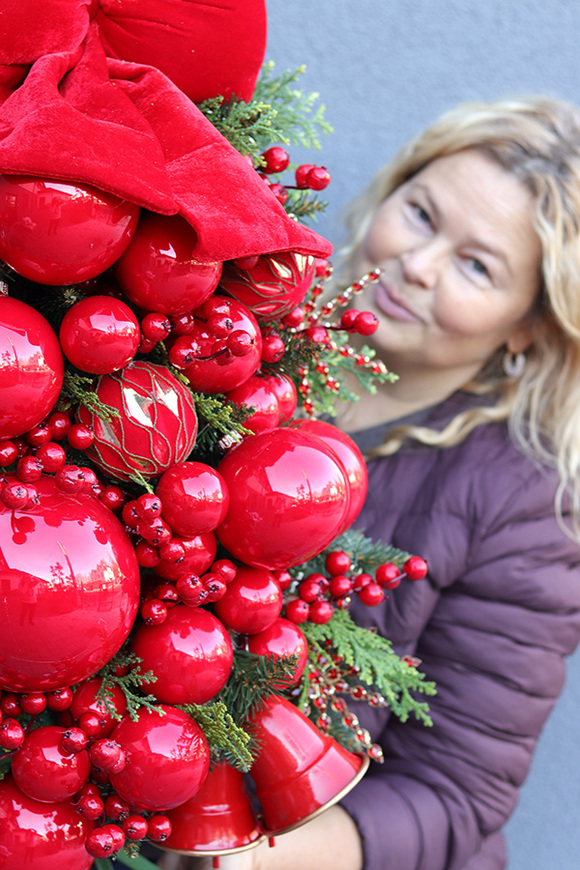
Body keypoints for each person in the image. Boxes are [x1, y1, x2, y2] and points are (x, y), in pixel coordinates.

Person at [157, 95, 580, 870]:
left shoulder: (527, 511)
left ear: (527, 324)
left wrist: (245, 859)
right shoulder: (240, 332)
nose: (418, 265)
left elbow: (456, 792)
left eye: (476, 266)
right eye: (421, 214)